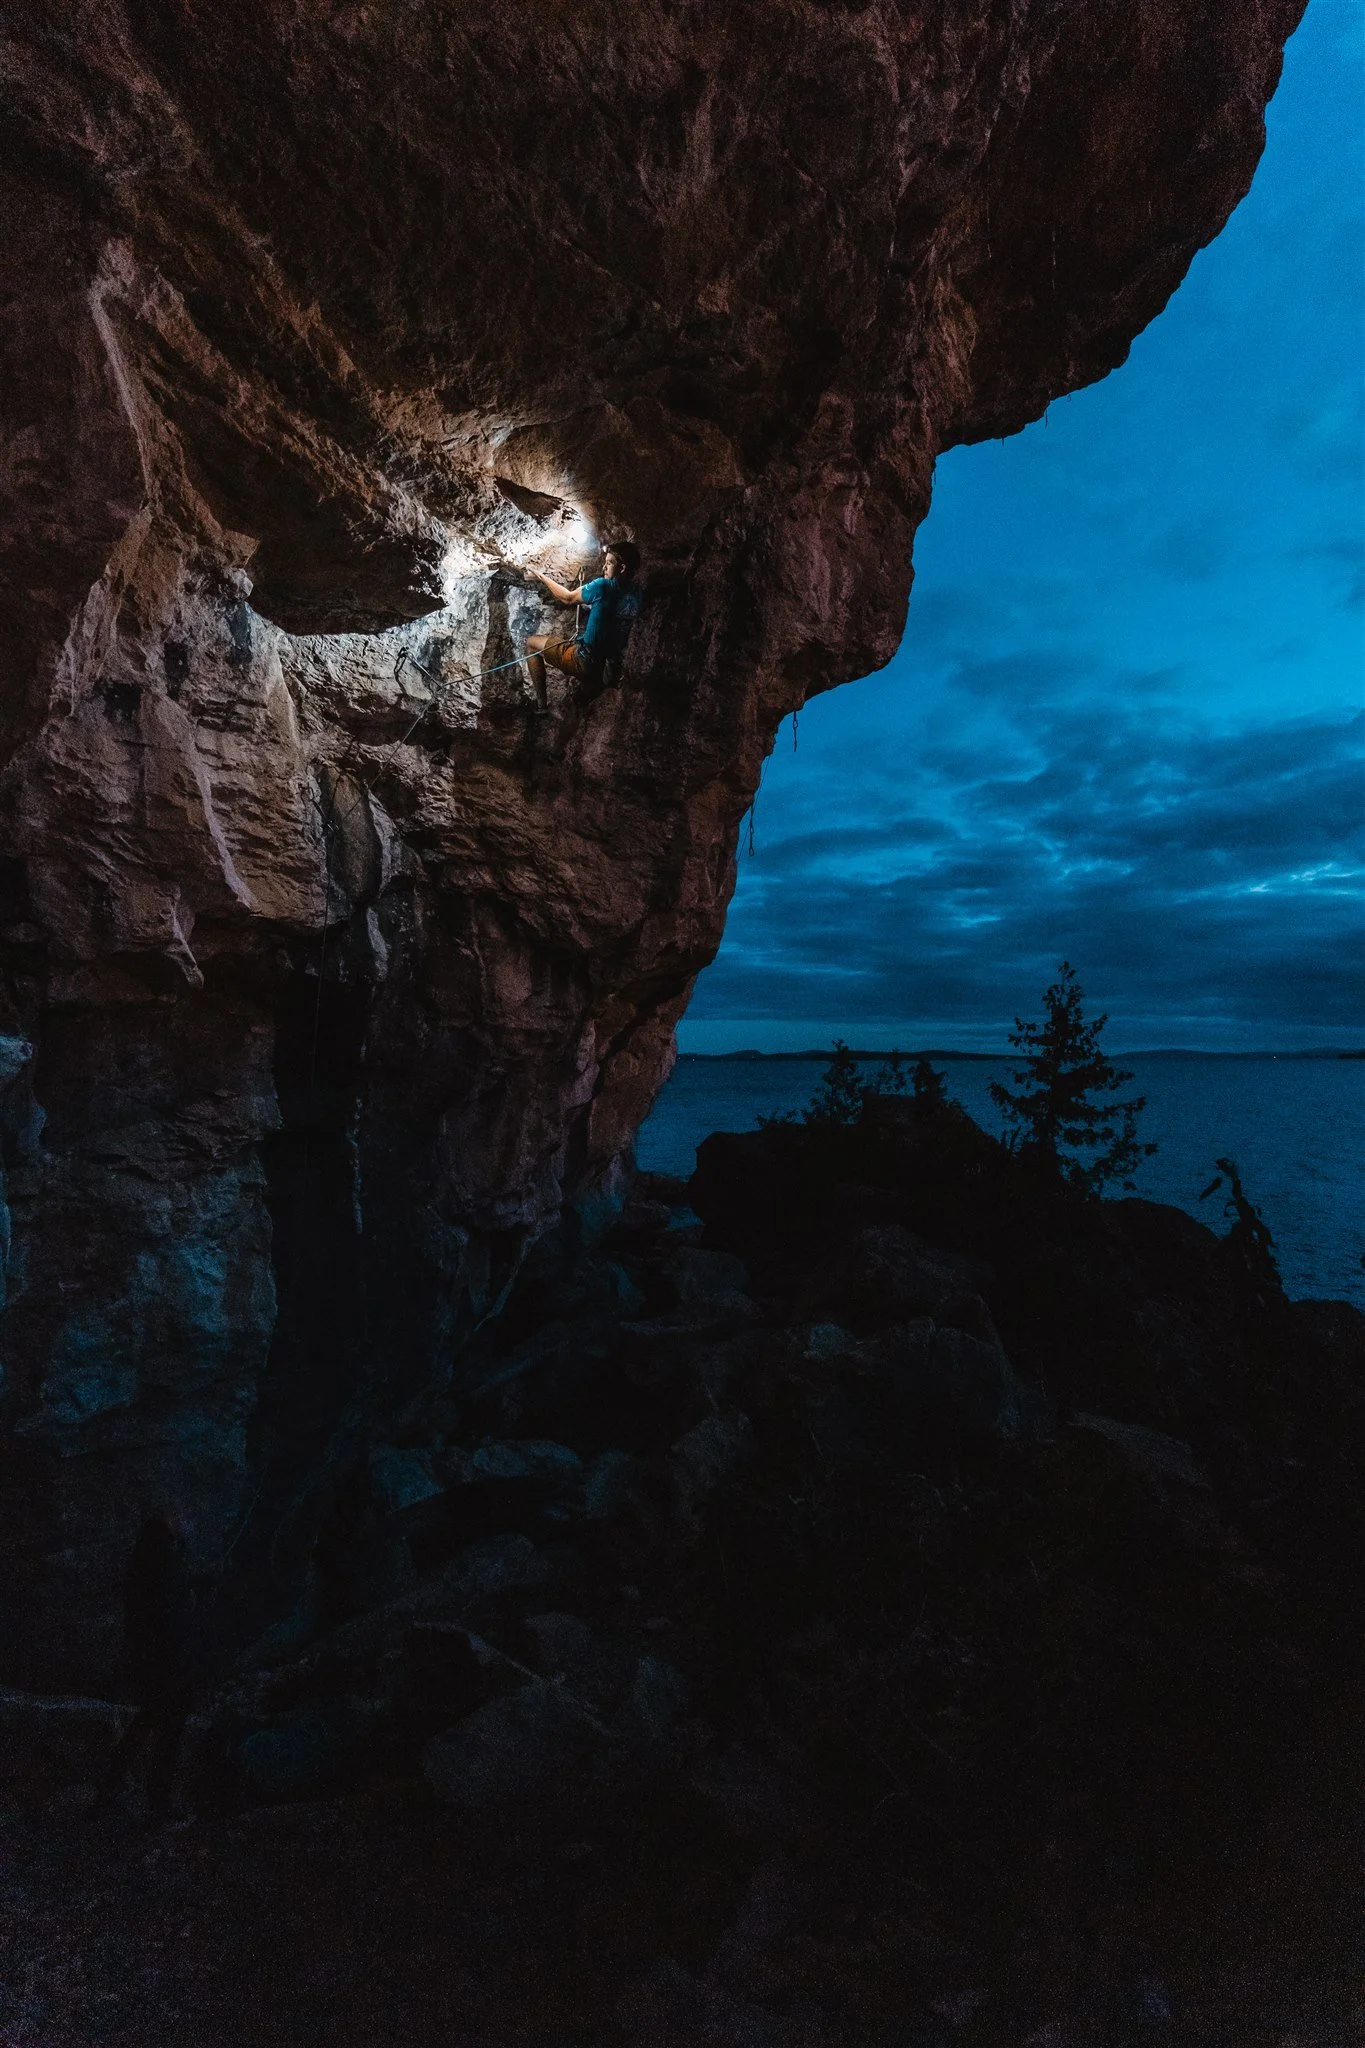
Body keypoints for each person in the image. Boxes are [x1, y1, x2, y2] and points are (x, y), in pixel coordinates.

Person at [95, 1510, 201, 1819]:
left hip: (153, 1660)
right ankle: (157, 1802)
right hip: (172, 1660)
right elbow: (173, 1611)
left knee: (148, 1723)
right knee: (167, 1729)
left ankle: (112, 1789)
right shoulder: (168, 1564)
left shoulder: (144, 1565)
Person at [524, 539, 642, 713]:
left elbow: (567, 597)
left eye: (609, 563)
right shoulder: (638, 594)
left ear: (622, 568)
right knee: (582, 700)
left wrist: (539, 575)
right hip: (611, 666)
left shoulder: (603, 586)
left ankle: (541, 706)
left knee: (532, 643)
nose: (604, 567)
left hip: (585, 660)